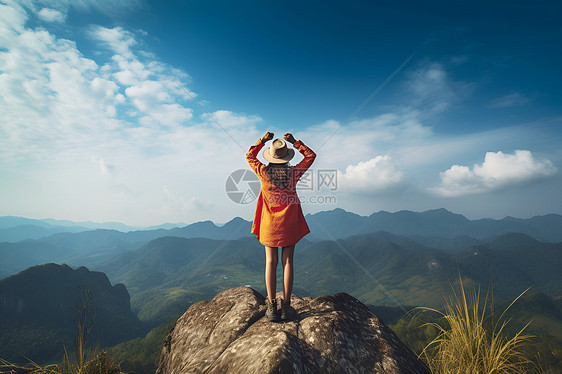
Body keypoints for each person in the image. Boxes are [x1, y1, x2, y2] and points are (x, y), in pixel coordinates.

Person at [246, 132, 316, 322]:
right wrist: (295, 142)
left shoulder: (263, 172)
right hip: (289, 223)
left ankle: (271, 306)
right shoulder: (293, 173)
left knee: (270, 262)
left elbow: (249, 156)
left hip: (269, 224)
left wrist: (263, 140)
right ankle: (286, 307)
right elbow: (311, 156)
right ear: (286, 157)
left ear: (271, 156)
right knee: (288, 262)